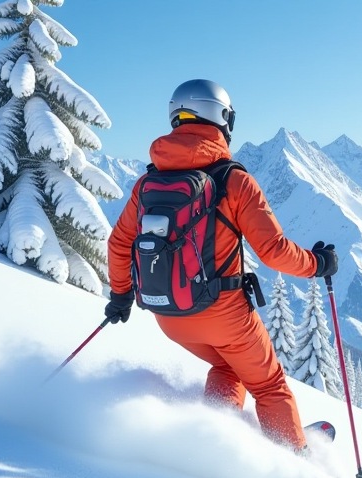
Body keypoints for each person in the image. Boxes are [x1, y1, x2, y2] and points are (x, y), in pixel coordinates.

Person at [104, 79, 338, 453]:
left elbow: (119, 244)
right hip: (224, 313)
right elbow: (274, 252)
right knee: (267, 384)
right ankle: (296, 462)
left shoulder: (148, 182)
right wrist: (318, 263)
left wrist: (120, 296)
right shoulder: (234, 181)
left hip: (169, 315)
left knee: (230, 368)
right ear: (222, 118)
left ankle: (214, 440)